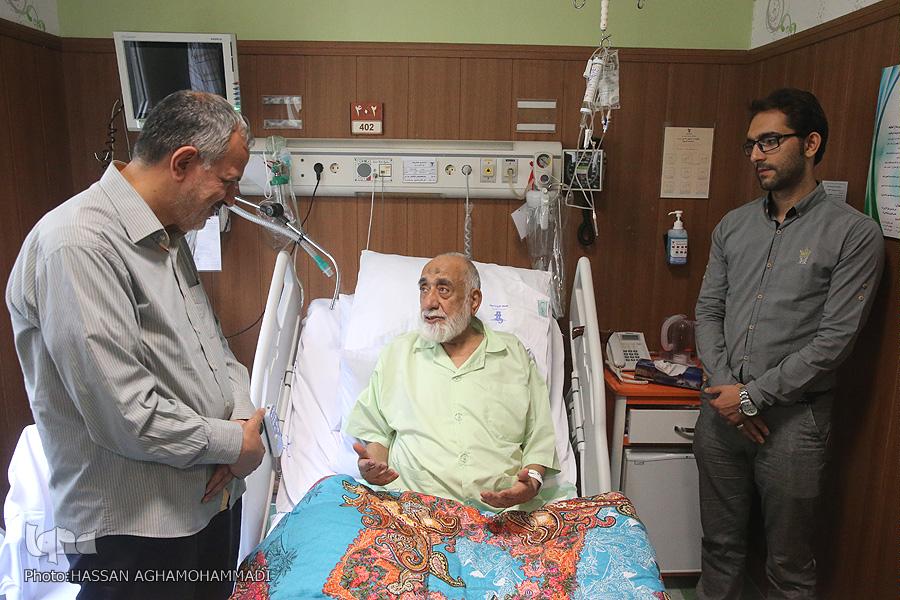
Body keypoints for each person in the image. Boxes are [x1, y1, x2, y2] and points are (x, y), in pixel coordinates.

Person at [6, 91, 266, 600]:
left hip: (207, 501)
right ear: (183, 163)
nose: (232, 198)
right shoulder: (79, 244)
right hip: (138, 529)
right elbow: (125, 414)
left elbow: (215, 349)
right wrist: (235, 444)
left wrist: (241, 422)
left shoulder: (167, 236)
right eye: (228, 181)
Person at [693, 88, 884, 599]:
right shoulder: (733, 227)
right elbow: (708, 312)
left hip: (795, 423)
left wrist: (751, 398)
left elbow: (834, 341)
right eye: (751, 144)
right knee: (719, 547)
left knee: (789, 564)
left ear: (811, 143)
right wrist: (729, 393)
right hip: (721, 411)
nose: (756, 154)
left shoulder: (853, 234)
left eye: (770, 142)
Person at [345, 252, 559, 512]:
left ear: (473, 300)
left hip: (503, 514)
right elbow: (375, 431)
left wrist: (531, 483)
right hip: (413, 512)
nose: (429, 302)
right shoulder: (399, 354)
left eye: (443, 289)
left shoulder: (512, 354)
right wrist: (374, 468)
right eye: (424, 289)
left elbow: (539, 435)